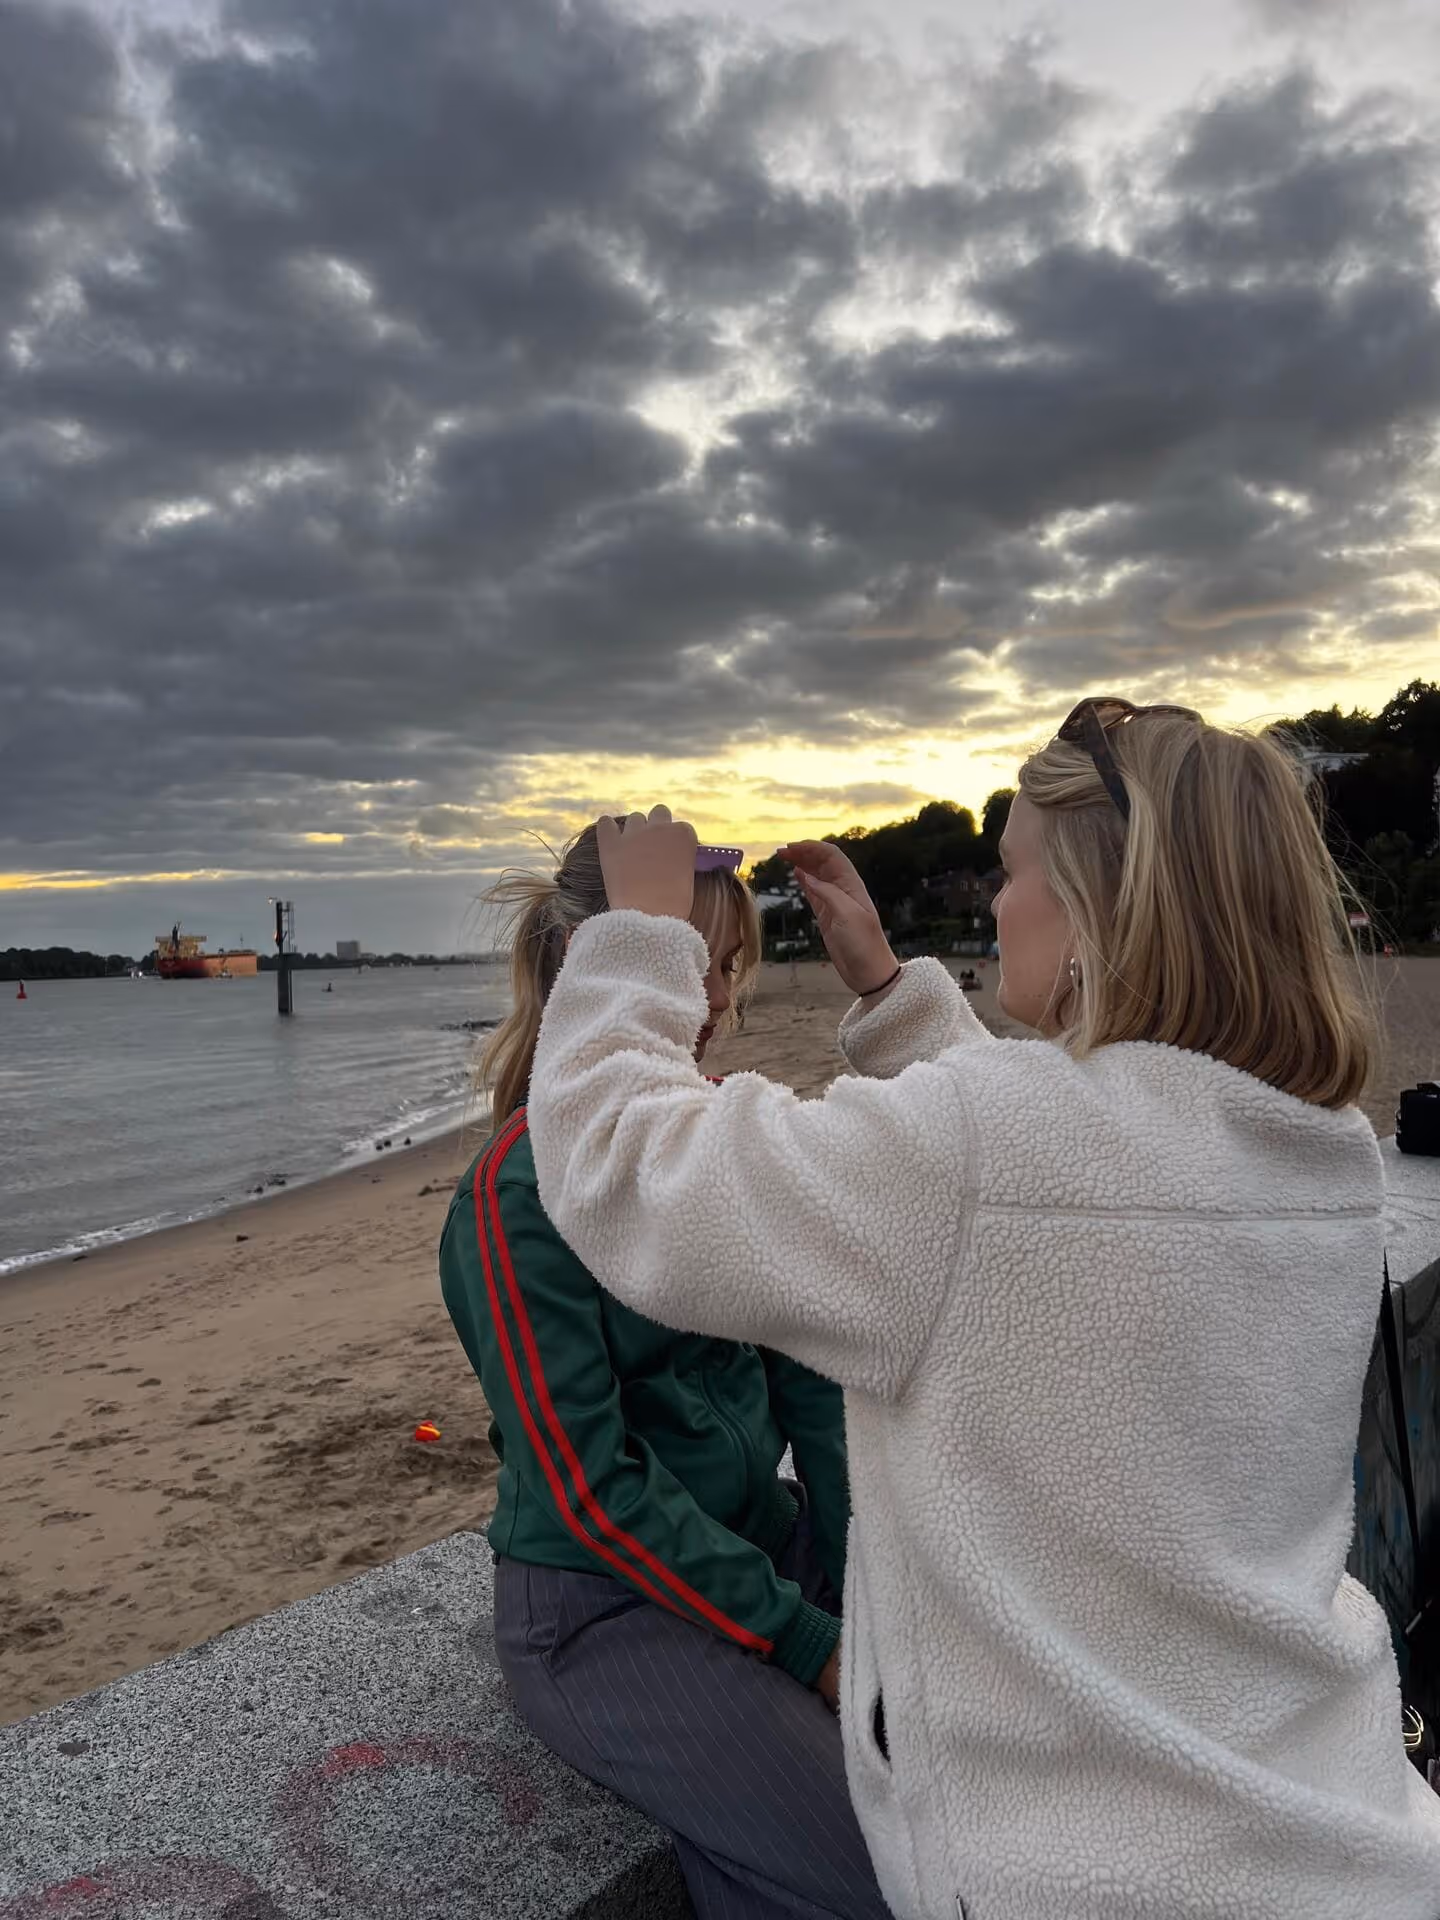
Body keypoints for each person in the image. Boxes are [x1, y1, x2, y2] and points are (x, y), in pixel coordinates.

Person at [524, 701, 1440, 1920]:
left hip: (1072, 1877)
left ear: (1099, 906)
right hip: (1340, 1825)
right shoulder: (1320, 1159)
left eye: (1010, 873)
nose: (995, 908)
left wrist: (640, 937)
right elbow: (1052, 1182)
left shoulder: (984, 1162)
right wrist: (892, 992)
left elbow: (625, 1168)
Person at [438, 823, 890, 1920]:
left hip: (755, 1545)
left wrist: (858, 1571)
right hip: (602, 1610)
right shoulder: (514, 1197)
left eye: (730, 964)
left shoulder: (710, 1139)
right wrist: (808, 1640)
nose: (721, 998)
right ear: (611, 969)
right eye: (699, 962)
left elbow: (811, 1387)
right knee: (879, 1863)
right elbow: (587, 1486)